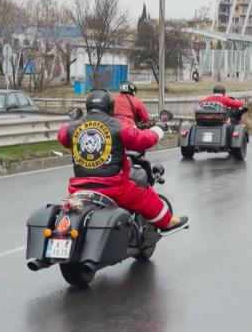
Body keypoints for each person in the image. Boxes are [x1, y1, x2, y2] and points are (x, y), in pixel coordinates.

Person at [57, 89, 190, 235]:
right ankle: (166, 223)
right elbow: (143, 140)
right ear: (110, 108)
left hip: (79, 189)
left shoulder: (71, 128)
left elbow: (61, 136)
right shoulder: (118, 127)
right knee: (145, 195)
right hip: (113, 189)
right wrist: (159, 129)